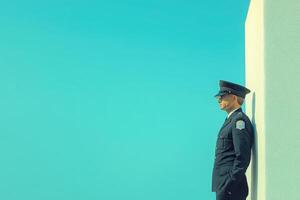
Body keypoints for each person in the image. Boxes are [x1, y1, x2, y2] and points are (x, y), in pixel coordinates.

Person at [212, 80, 254, 200]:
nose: (219, 100)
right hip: (223, 184)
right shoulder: (230, 120)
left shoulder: (239, 121)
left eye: (223, 96)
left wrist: (229, 184)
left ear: (234, 97)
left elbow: (242, 156)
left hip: (230, 187)